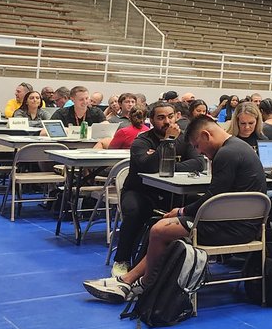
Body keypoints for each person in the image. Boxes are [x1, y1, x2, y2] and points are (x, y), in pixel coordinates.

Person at [84, 116, 265, 301]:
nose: (199, 151)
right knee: (163, 227)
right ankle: (129, 280)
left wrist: (181, 211)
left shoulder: (226, 154)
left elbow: (213, 198)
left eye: (196, 145)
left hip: (231, 228)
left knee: (159, 229)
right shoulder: (240, 147)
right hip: (246, 225)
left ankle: (143, 285)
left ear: (206, 135)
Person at [85, 102, 203, 283]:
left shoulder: (184, 140)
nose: (167, 121)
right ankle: (122, 259)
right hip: (140, 191)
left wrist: (166, 164)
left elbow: (198, 163)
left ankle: (184, 259)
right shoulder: (142, 141)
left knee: (198, 204)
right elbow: (147, 166)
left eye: (170, 116)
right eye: (161, 117)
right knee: (134, 212)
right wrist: (167, 142)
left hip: (171, 193)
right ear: (152, 120)